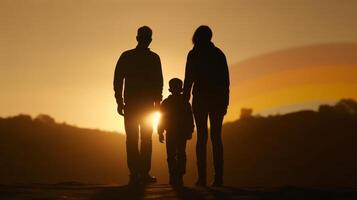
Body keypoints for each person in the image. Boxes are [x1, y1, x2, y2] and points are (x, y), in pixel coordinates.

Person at [113, 26, 163, 185]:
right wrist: (157, 102)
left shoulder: (128, 56)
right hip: (144, 105)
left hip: (135, 104)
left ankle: (136, 173)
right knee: (144, 139)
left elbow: (118, 80)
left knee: (134, 139)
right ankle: (141, 173)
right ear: (150, 39)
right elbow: (159, 82)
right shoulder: (153, 58)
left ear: (137, 38)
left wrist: (119, 100)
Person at [183, 25, 230, 187]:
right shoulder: (218, 54)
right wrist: (225, 102)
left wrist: (184, 99)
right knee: (216, 137)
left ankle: (202, 178)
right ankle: (218, 178)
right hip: (216, 100)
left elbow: (188, 79)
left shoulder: (194, 54)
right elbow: (225, 82)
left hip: (202, 99)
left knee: (202, 138)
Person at [158, 78, 194, 187]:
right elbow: (189, 118)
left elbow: (161, 118)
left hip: (174, 132)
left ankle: (175, 175)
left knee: (174, 155)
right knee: (179, 154)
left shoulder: (167, 103)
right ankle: (177, 175)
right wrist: (190, 130)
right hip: (178, 132)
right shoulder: (184, 103)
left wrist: (160, 131)